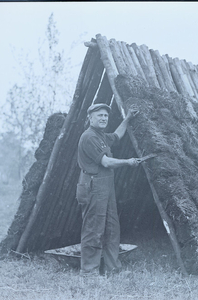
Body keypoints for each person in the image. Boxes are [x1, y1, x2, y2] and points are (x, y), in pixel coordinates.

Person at [76, 103, 140, 277]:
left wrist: (127, 118)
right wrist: (128, 162)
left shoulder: (101, 135)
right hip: (93, 186)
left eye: (106, 115)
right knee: (93, 229)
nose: (104, 118)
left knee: (112, 227)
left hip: (105, 186)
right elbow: (106, 162)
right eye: (99, 115)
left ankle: (113, 268)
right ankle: (89, 272)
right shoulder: (89, 137)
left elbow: (117, 135)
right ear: (90, 118)